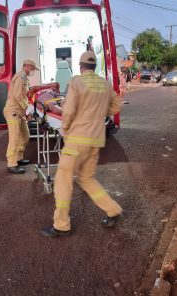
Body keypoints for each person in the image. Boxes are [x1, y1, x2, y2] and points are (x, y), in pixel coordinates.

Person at [40, 51, 123, 238]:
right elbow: (117, 106)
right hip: (96, 139)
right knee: (86, 178)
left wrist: (65, 128)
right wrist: (100, 112)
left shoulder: (76, 82)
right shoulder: (105, 84)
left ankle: (61, 225)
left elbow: (68, 111)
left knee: (62, 180)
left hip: (77, 139)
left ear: (80, 66)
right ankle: (112, 209)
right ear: (94, 67)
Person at [4, 58, 40, 174]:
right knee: (14, 138)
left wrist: (26, 110)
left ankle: (18, 158)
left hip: (19, 112)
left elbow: (25, 96)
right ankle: (11, 164)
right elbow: (18, 95)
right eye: (33, 68)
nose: (33, 71)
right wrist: (27, 109)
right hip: (13, 111)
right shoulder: (21, 77)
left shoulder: (25, 78)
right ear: (28, 66)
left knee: (25, 136)